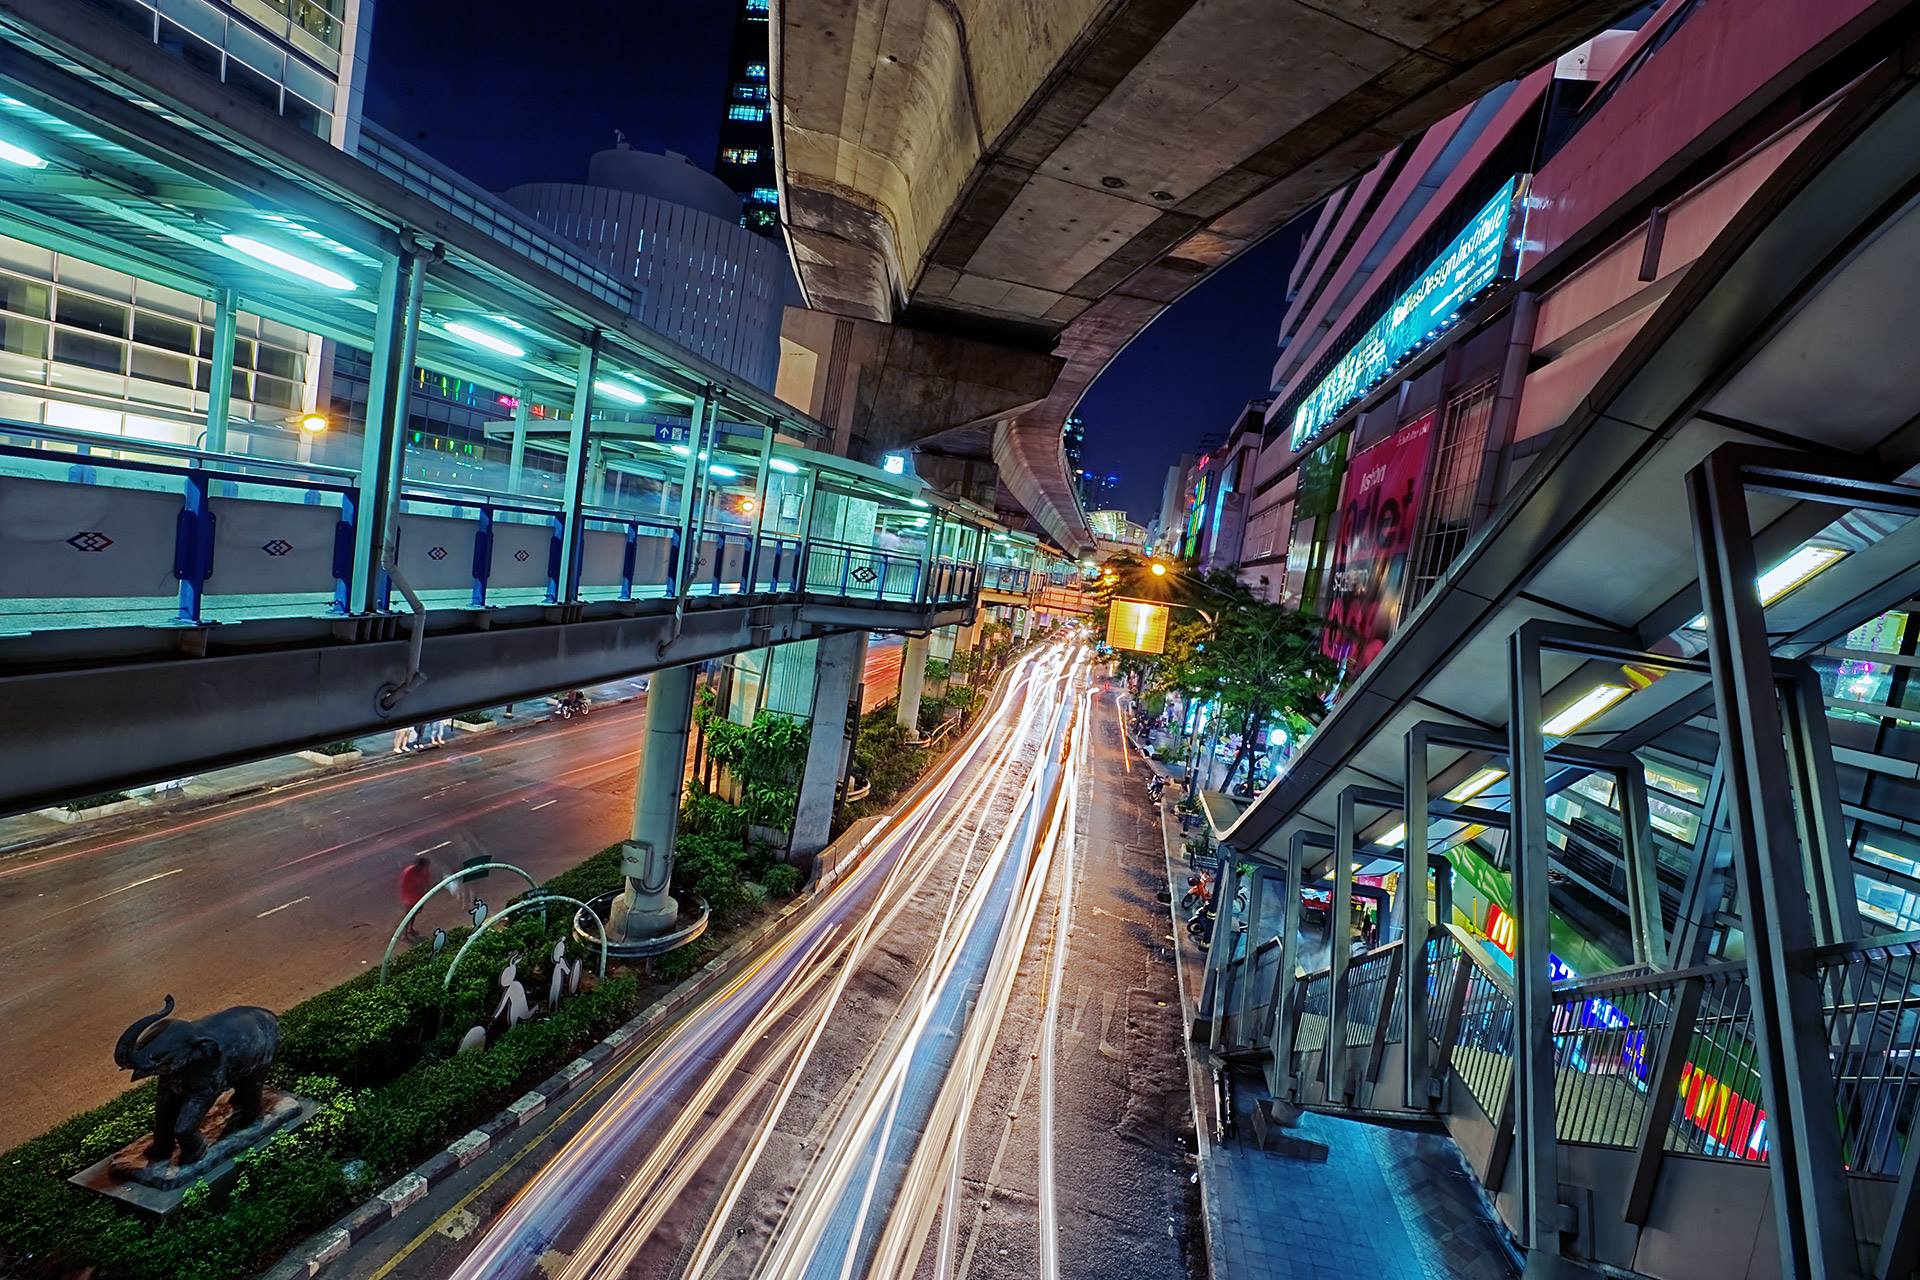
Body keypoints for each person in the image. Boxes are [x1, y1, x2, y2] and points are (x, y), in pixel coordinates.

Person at [399, 855, 434, 941]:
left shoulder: (424, 871)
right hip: (410, 897)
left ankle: (410, 929)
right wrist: (417, 887)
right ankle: (405, 934)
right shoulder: (408, 872)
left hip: (419, 896)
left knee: (414, 914)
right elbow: (404, 885)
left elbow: (427, 880)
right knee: (408, 915)